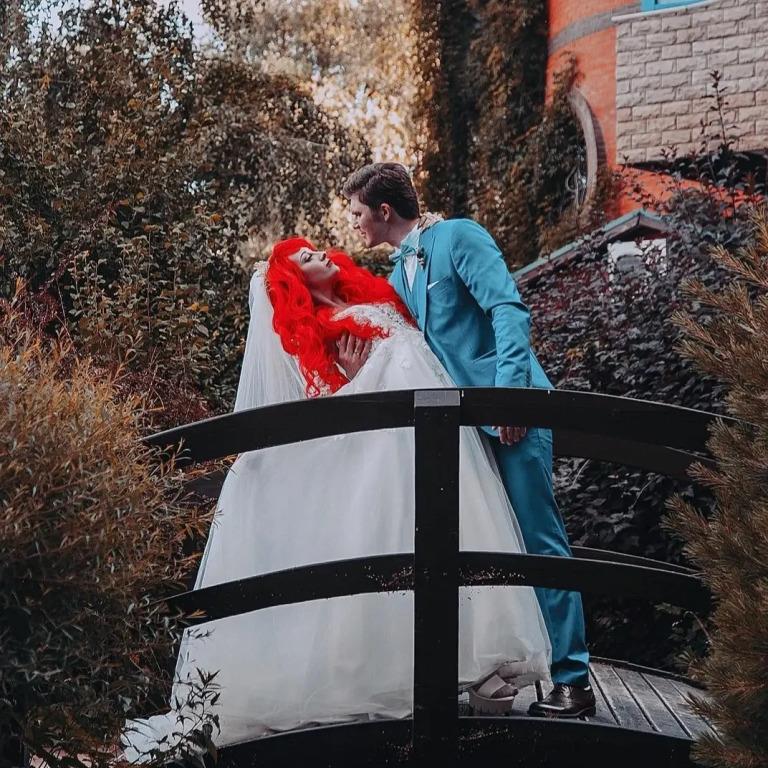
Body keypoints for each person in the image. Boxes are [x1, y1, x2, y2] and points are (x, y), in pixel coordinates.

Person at [121, 237, 550, 761]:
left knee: (463, 526)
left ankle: (482, 660)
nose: (320, 254)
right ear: (296, 283)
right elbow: (326, 406)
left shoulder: (365, 296)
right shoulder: (319, 331)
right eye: (306, 258)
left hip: (439, 435)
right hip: (392, 446)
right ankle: (413, 670)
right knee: (401, 542)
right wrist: (353, 376)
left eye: (314, 249)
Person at [341, 163, 595, 719]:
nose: (354, 223)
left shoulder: (458, 236)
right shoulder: (398, 276)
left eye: (357, 213)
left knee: (539, 541)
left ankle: (574, 681)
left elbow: (508, 310)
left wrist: (510, 398)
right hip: (460, 432)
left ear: (383, 210)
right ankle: (502, 671)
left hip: (512, 416)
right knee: (484, 547)